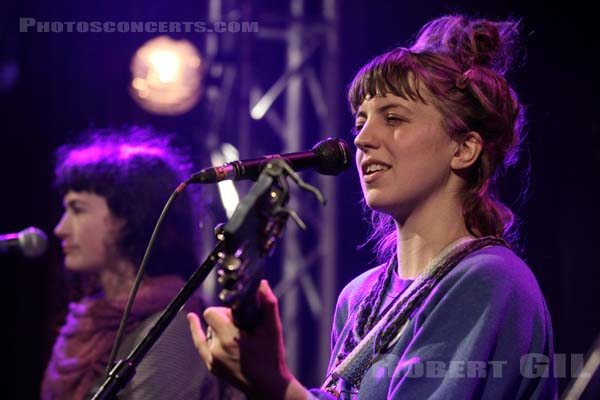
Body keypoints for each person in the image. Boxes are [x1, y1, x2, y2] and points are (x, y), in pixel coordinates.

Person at [187, 14, 557, 399]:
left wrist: (275, 385)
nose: (363, 138)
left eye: (393, 117)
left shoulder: (488, 280)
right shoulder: (359, 298)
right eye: (360, 122)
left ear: (464, 149)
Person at [41, 127, 228, 400]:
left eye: (77, 209)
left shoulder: (171, 324)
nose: (60, 228)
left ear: (127, 219)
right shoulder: (86, 321)